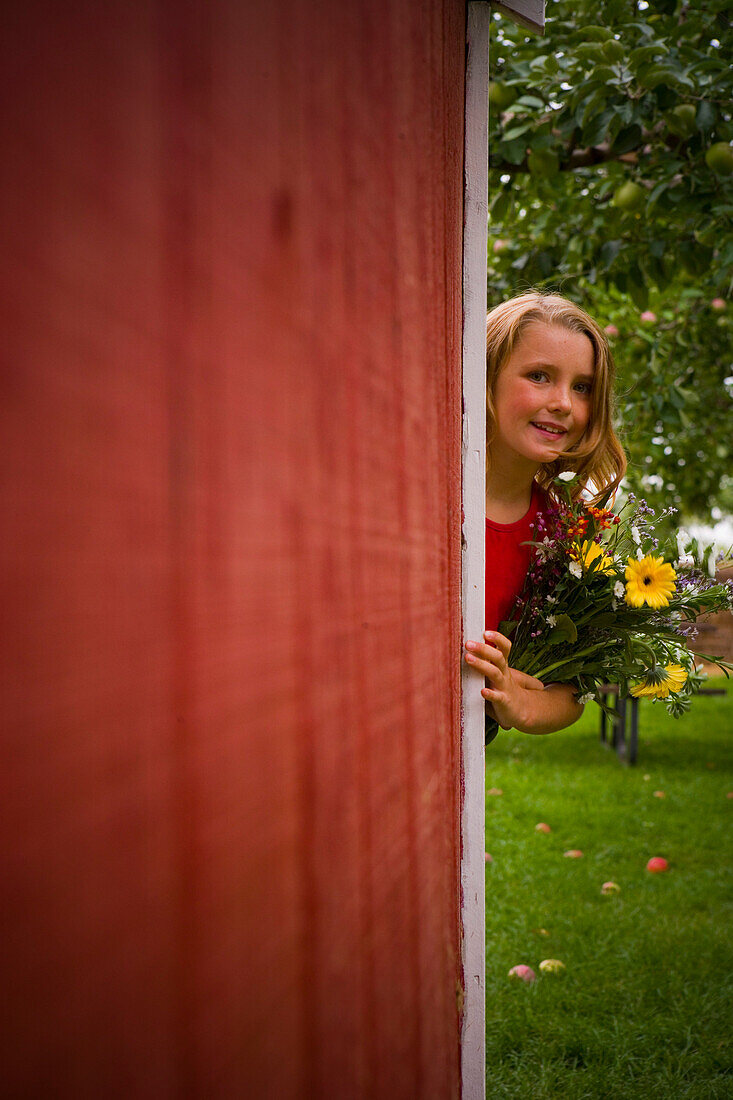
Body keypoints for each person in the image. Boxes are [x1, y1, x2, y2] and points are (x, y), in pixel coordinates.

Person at [464, 291, 626, 736]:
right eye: (539, 376)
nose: (564, 404)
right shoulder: (421, 495)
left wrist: (518, 702)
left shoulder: (563, 536)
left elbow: (570, 690)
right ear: (484, 374)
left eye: (582, 387)